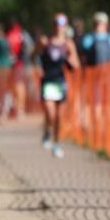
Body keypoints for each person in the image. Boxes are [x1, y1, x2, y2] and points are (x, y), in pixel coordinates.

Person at [34, 13, 81, 159]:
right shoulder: (45, 42)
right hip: (48, 81)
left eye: (62, 24)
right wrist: (38, 67)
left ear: (65, 26)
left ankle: (57, 143)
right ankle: (47, 131)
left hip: (60, 82)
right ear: (53, 25)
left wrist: (70, 60)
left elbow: (76, 64)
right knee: (50, 113)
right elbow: (33, 56)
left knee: (59, 116)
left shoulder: (68, 44)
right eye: (56, 23)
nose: (58, 27)